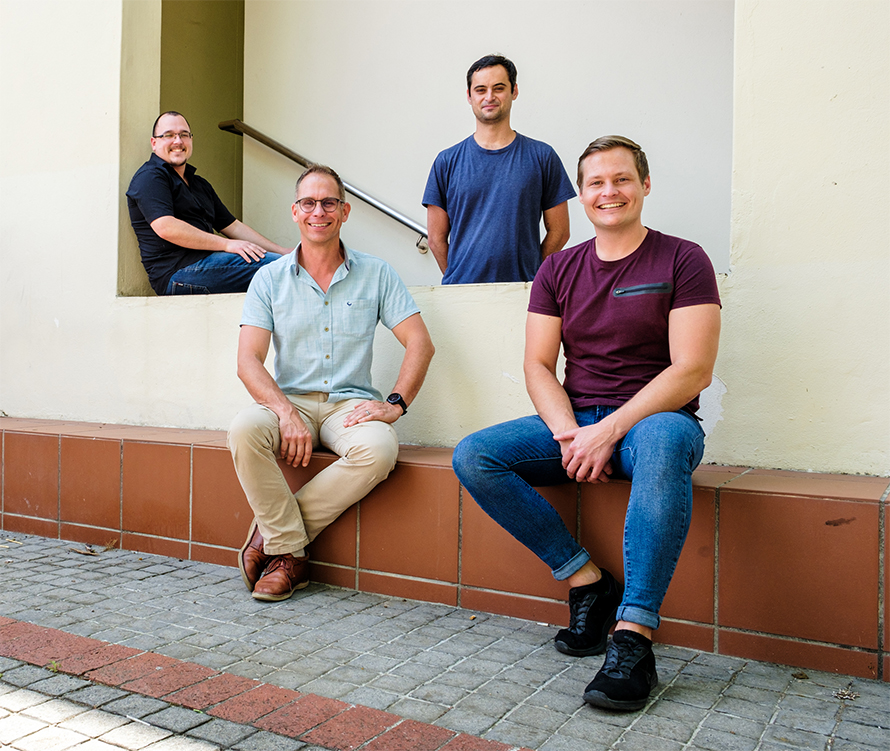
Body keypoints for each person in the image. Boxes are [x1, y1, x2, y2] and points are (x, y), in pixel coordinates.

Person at [452, 136, 721, 711]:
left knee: (668, 438)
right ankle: (585, 581)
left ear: (645, 185)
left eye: (621, 179)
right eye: (596, 182)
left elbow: (693, 368)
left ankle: (633, 638)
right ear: (581, 194)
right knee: (475, 454)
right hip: (579, 422)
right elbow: (537, 365)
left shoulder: (683, 258)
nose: (609, 191)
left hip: (653, 422)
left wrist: (611, 429)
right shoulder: (559, 268)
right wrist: (572, 434)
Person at [228, 164, 435, 602]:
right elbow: (248, 360)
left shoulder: (376, 273)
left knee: (380, 449)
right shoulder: (269, 278)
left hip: (350, 406)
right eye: (308, 203)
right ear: (295, 211)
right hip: (291, 402)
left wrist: (396, 404)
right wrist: (284, 412)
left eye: (328, 203)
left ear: (345, 212)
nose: (317, 211)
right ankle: (291, 554)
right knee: (244, 430)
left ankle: (270, 540)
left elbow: (419, 343)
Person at [422, 55, 576, 284]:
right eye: (480, 90)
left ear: (514, 91)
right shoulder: (446, 161)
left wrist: (534, 276)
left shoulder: (542, 156)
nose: (489, 97)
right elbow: (435, 239)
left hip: (524, 293)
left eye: (499, 88)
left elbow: (560, 231)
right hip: (461, 294)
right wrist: (457, 279)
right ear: (469, 96)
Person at [127, 111, 291, 295]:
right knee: (281, 270)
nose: (178, 141)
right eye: (169, 135)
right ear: (154, 143)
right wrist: (227, 245)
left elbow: (234, 227)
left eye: (184, 135)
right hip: (177, 273)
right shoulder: (150, 177)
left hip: (208, 264)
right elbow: (166, 227)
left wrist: (282, 252)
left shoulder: (200, 184)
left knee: (286, 265)